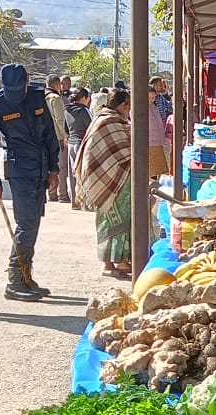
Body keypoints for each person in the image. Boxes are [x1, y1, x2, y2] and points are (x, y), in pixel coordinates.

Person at [0, 64, 61, 301]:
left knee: (32, 224)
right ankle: (15, 280)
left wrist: (54, 169)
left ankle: (26, 276)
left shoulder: (37, 97)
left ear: (27, 83)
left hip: (40, 168)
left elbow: (49, 134)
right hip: (19, 171)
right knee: (25, 225)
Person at [75, 89, 137, 279]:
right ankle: (110, 263)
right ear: (123, 105)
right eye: (129, 105)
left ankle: (121, 261)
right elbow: (123, 148)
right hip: (108, 179)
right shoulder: (108, 121)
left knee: (121, 219)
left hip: (116, 177)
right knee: (112, 219)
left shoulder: (107, 119)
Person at [42, 75, 71, 203]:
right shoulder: (56, 98)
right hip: (56, 137)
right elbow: (60, 120)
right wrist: (64, 136)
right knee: (61, 167)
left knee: (48, 166)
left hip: (43, 137)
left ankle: (51, 193)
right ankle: (62, 195)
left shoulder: (41, 97)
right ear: (58, 84)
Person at [64, 87, 93, 205]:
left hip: (71, 143)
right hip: (83, 144)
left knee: (73, 174)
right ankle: (85, 201)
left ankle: (74, 201)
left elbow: (65, 128)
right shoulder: (84, 111)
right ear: (83, 98)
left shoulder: (66, 110)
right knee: (84, 173)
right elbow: (92, 127)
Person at [145, 86, 169, 179]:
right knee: (150, 171)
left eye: (153, 98)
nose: (151, 100)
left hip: (157, 141)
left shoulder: (154, 107)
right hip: (148, 142)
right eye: (149, 98)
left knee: (156, 171)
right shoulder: (139, 108)